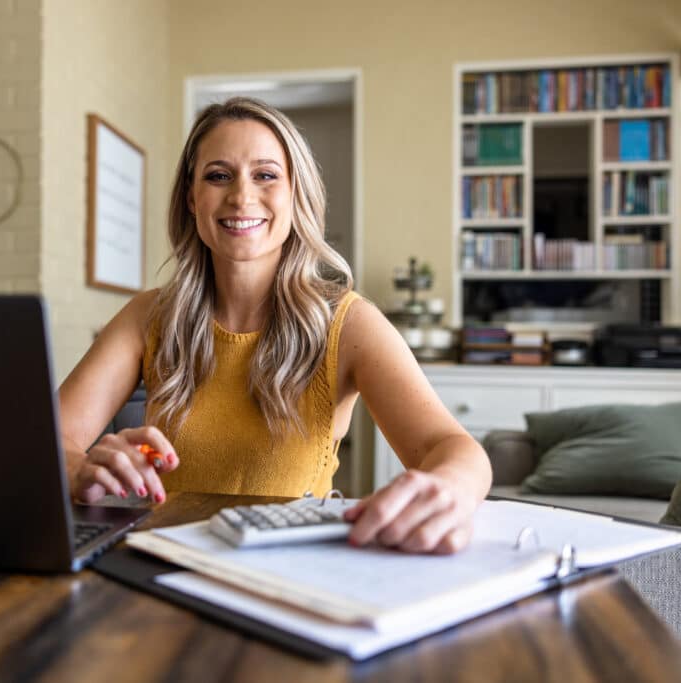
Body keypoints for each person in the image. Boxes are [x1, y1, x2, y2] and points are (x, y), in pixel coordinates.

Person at [59, 97, 491, 554]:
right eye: (218, 175)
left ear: (295, 194)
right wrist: (79, 469)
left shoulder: (350, 323)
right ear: (191, 198)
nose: (241, 196)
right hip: (164, 566)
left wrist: (452, 488)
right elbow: (50, 438)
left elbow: (450, 446)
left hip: (291, 574)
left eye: (265, 175)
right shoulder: (147, 316)